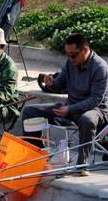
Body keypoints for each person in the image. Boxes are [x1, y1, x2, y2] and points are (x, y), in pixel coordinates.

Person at [22, 34, 108, 169]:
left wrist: (70, 109)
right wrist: (50, 83)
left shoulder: (100, 67)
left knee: (87, 119)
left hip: (95, 110)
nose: (70, 58)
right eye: (67, 55)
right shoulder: (70, 63)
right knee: (29, 112)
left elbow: (95, 100)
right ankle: (36, 156)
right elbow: (59, 85)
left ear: (85, 50)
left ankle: (82, 164)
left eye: (73, 55)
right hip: (70, 107)